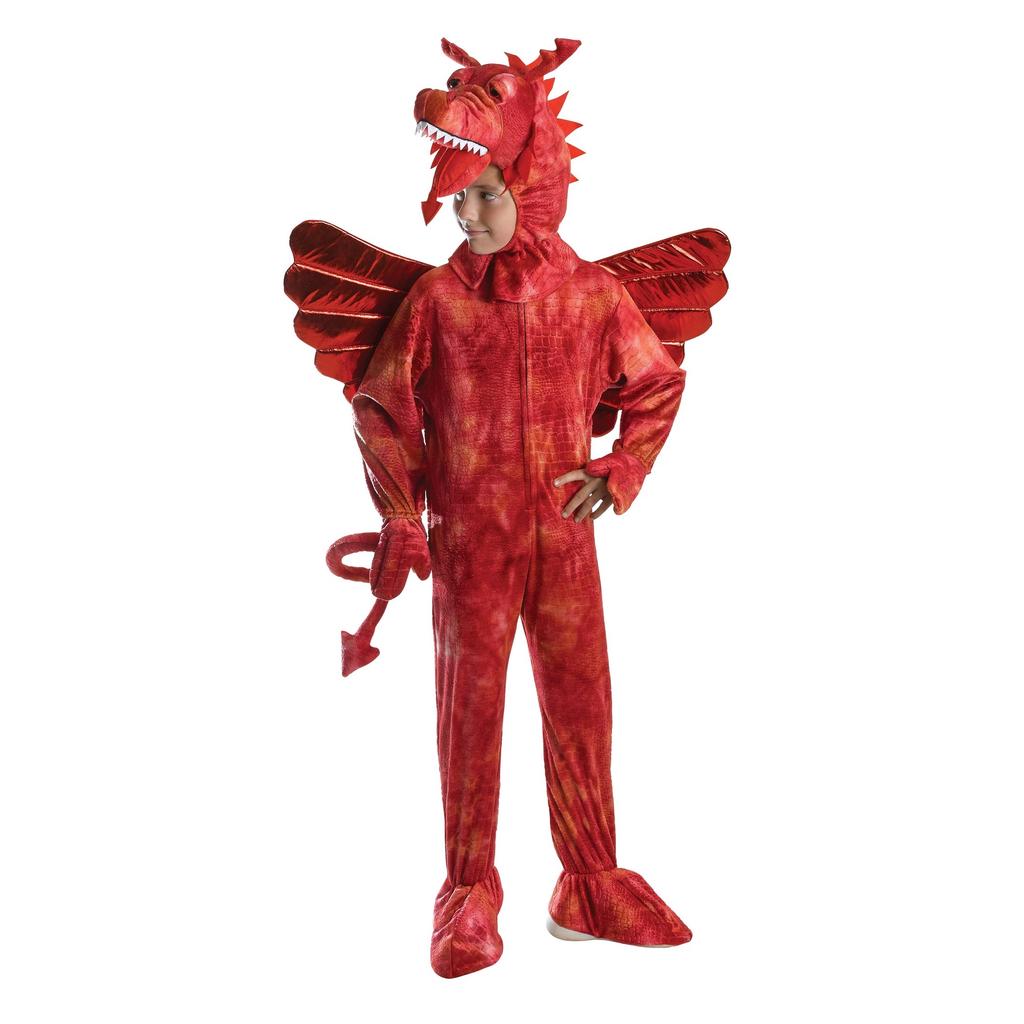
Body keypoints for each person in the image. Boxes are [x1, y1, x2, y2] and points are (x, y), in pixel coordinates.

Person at [349, 37, 695, 978]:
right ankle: (467, 893)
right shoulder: (436, 300)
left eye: (485, 194)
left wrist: (620, 470)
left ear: (531, 186)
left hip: (565, 539)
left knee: (582, 706)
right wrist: (401, 513)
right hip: (472, 545)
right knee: (469, 714)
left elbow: (658, 384)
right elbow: (380, 406)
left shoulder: (594, 296)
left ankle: (590, 882)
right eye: (459, 198)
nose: (468, 214)